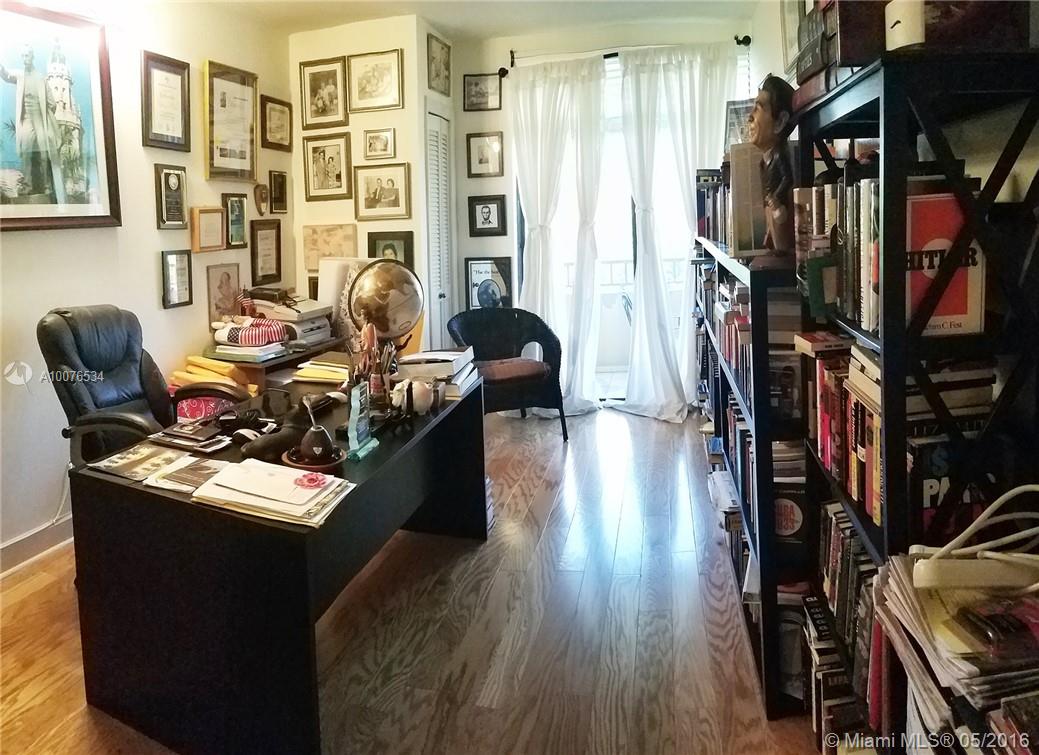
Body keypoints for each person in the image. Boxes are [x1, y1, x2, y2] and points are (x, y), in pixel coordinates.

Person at [0, 45, 64, 200]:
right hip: (26, 119)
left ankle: (47, 186)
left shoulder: (41, 78)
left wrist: (46, 117)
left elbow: (51, 103)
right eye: (22, 56)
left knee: (44, 152)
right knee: (27, 152)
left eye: (27, 55)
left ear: (32, 56)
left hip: (40, 119)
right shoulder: (20, 75)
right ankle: (28, 186)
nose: (24, 59)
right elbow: (6, 75)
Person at [747, 74, 796, 255]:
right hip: (771, 205)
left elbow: (787, 178)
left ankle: (780, 249)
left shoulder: (779, 156)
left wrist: (776, 197)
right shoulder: (765, 161)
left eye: (758, 109)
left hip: (779, 207)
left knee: (779, 220)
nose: (750, 117)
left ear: (780, 122)